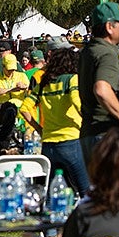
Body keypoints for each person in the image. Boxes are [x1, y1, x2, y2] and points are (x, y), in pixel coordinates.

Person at [20, 47, 89, 195]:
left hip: (48, 145)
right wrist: (88, 121)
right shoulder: (72, 79)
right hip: (70, 141)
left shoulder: (44, 83)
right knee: (86, 192)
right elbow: (77, 102)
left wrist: (39, 129)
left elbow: (24, 109)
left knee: (53, 194)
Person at [77, 1, 119, 163]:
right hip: (107, 135)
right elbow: (102, 89)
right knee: (116, 187)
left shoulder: (89, 50)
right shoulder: (106, 53)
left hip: (92, 133)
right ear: (110, 27)